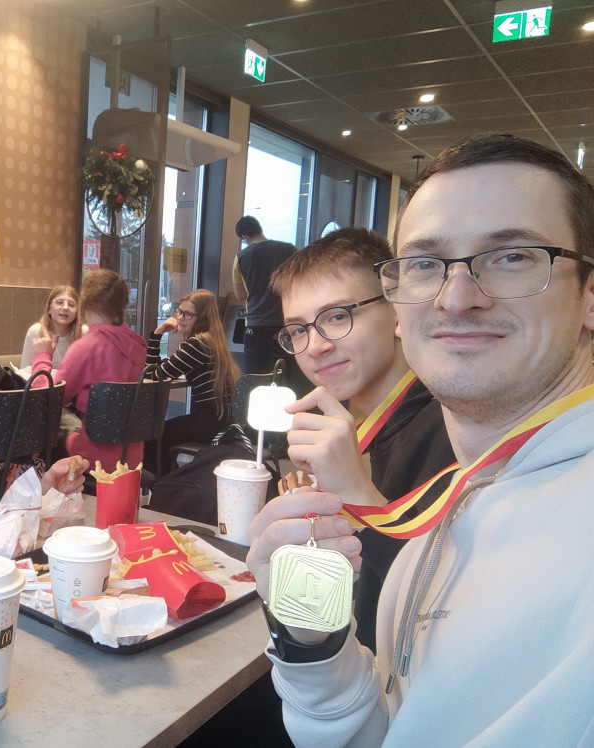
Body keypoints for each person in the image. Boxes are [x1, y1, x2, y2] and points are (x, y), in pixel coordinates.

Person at [246, 134, 594, 745]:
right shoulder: (465, 491)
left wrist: (360, 498)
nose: (457, 298)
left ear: (589, 296)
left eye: (513, 256)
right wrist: (313, 636)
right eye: (426, 265)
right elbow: (392, 726)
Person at [268, 227, 454, 650]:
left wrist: (354, 491)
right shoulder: (347, 425)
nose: (314, 347)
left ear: (398, 311)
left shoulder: (451, 426)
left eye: (336, 316)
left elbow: (446, 613)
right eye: (297, 330)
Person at [32, 269, 147, 469]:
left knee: (43, 438)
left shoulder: (86, 348)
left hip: (91, 456)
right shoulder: (138, 346)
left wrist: (42, 357)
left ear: (84, 302)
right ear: (123, 306)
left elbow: (49, 398)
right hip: (133, 456)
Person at [143, 289, 240, 476]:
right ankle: (173, 478)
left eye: (187, 314)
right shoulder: (211, 341)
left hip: (208, 423)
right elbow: (161, 371)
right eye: (179, 311)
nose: (180, 318)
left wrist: (157, 334)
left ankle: (167, 483)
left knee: (151, 439)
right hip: (223, 420)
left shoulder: (196, 344)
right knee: (160, 436)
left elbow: (153, 374)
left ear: (202, 318)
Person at [231, 215, 295, 375]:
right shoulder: (288, 249)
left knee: (254, 377)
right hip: (284, 323)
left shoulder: (241, 257)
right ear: (259, 229)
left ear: (245, 237)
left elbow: (240, 295)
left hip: (255, 325)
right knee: (283, 376)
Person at [19, 285, 83, 369]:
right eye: (59, 302)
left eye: (71, 304)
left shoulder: (84, 333)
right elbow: (24, 371)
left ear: (76, 312)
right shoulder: (36, 332)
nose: (65, 308)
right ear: (49, 309)